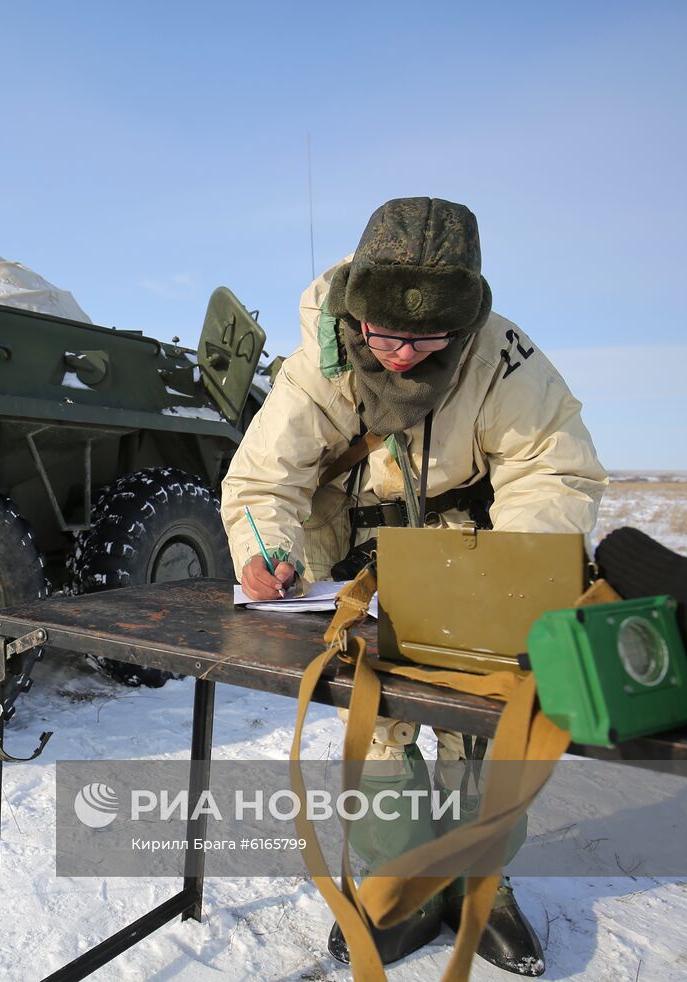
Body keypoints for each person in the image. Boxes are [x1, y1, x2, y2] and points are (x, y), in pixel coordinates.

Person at [221, 197, 607, 975]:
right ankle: (400, 889)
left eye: (427, 338)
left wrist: (510, 575)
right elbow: (267, 480)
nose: (400, 354)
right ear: (357, 309)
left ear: (465, 322)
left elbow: (551, 467)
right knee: (382, 724)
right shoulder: (319, 365)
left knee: (481, 729)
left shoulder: (505, 361)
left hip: (478, 558)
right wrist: (269, 551)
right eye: (385, 334)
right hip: (363, 570)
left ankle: (481, 892)